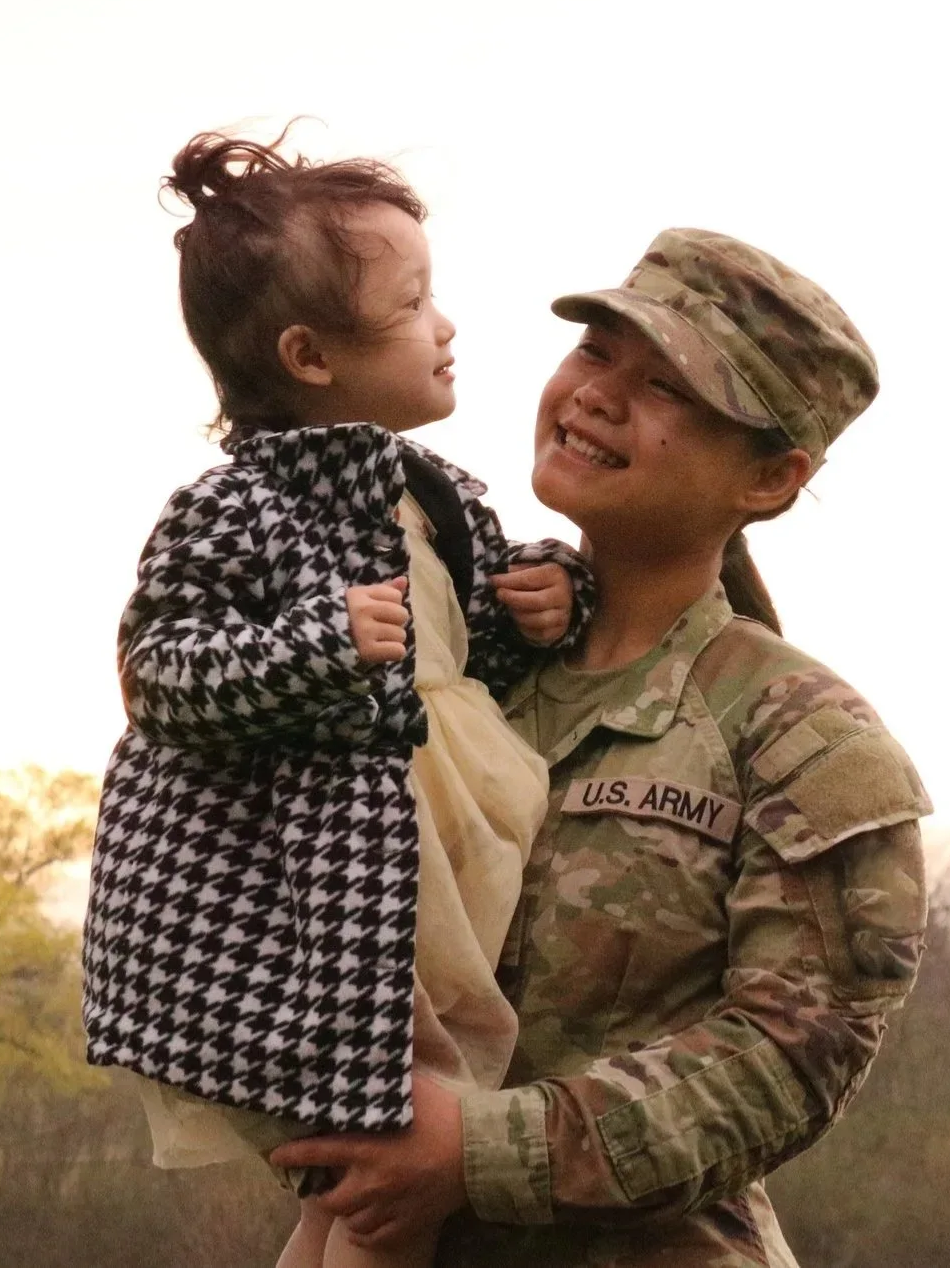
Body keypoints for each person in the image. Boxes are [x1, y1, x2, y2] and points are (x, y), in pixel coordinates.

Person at [270, 228, 933, 1267]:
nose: (595, 395)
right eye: (593, 351)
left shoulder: (799, 735)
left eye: (666, 386)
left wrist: (474, 1152)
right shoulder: (450, 657)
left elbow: (789, 1057)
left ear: (769, 476)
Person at [80, 131, 594, 1268]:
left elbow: (465, 659)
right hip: (317, 912)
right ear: (309, 355)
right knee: (386, 1170)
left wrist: (544, 595)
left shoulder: (437, 498)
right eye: (411, 303)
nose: (445, 325)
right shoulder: (240, 509)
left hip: (424, 899)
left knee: (357, 1181)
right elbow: (161, 668)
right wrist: (313, 645)